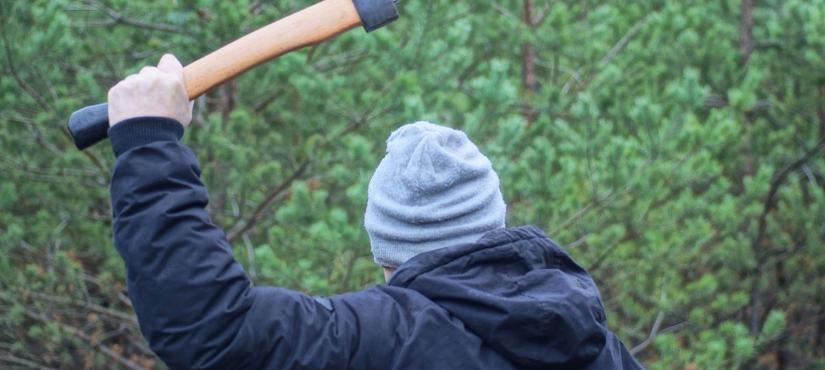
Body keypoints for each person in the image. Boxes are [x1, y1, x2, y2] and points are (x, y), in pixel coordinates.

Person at [107, 54, 644, 370]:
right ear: (495, 222)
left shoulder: (385, 338)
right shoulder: (594, 341)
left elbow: (209, 329)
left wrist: (149, 142)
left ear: (384, 250)